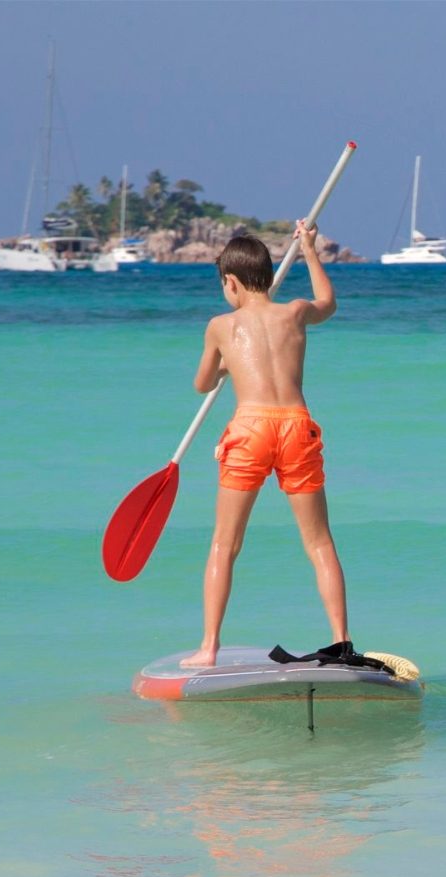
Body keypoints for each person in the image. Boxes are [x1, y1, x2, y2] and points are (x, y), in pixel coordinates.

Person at [179, 222, 348, 669]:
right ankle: (341, 640)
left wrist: (224, 370)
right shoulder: (294, 312)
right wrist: (310, 249)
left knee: (224, 545)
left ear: (230, 282)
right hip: (296, 425)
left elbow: (201, 384)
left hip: (249, 429)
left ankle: (209, 647)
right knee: (319, 543)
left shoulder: (221, 326)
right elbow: (328, 304)